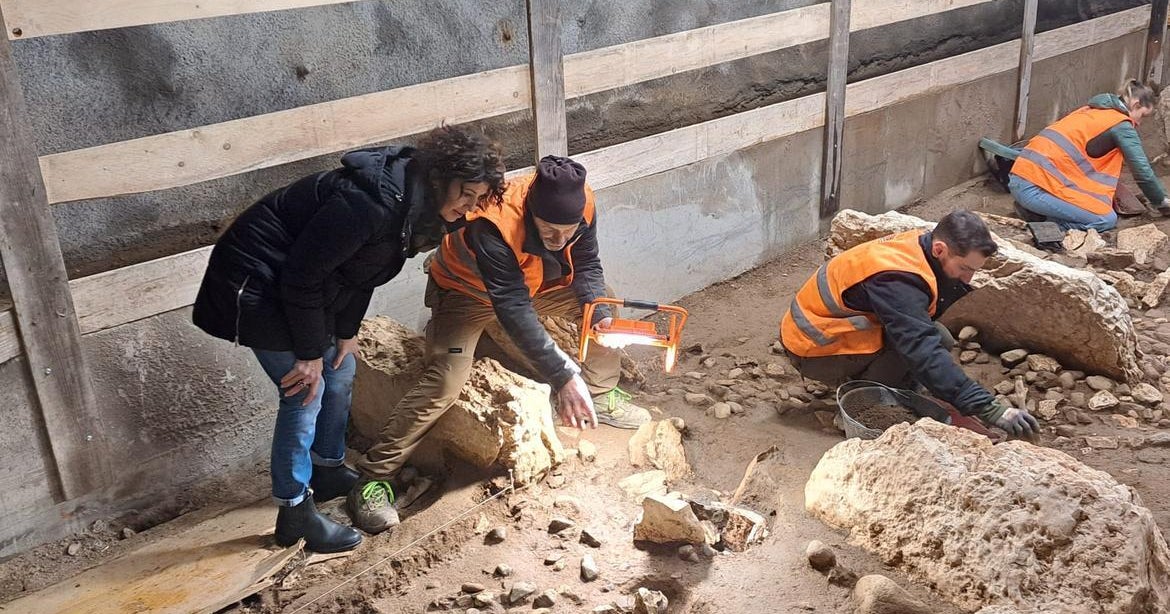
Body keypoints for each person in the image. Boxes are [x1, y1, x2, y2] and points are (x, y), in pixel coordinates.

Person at [191, 126, 505, 553]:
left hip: (300, 284)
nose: (470, 207)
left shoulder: (417, 208)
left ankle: (327, 469)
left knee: (341, 368)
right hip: (255, 283)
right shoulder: (370, 204)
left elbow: (361, 271)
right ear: (440, 178)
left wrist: (345, 332)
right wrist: (306, 353)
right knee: (305, 390)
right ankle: (295, 513)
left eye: (478, 199)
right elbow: (302, 276)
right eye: (465, 194)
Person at [345, 155, 651, 534]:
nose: (560, 241)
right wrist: (565, 375)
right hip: (466, 292)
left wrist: (594, 310)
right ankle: (373, 478)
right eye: (549, 232)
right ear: (530, 214)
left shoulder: (582, 202)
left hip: (534, 284)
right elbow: (511, 307)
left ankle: (601, 395)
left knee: (604, 300)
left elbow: (587, 263)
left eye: (568, 232)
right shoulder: (493, 221)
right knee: (445, 380)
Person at [778, 210, 1039, 439]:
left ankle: (897, 389)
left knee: (940, 338)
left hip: (832, 328)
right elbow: (921, 350)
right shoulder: (896, 280)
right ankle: (861, 404)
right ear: (940, 250)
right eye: (963, 268)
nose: (968, 277)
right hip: (812, 344)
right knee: (910, 349)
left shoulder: (920, 247)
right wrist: (990, 409)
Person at [1009, 79, 1170, 231]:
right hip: (1034, 189)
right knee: (1105, 219)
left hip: (1020, 177)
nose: (1140, 123)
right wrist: (1161, 201)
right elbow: (1142, 172)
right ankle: (1046, 225)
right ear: (1135, 104)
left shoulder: (1091, 110)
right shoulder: (1121, 125)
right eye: (1142, 115)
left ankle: (1035, 211)